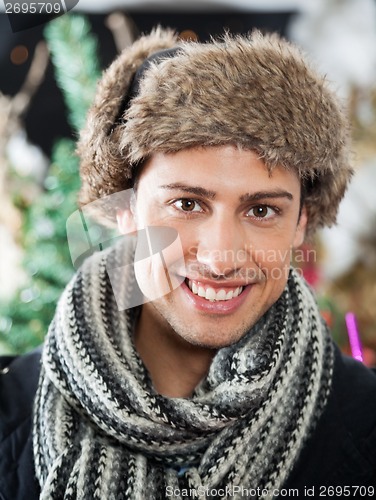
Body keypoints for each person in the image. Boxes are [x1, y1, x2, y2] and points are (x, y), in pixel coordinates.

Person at [1, 27, 376, 500]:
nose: (221, 258)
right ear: (125, 211)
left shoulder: (365, 420)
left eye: (262, 211)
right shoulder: (9, 413)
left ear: (300, 222)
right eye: (186, 204)